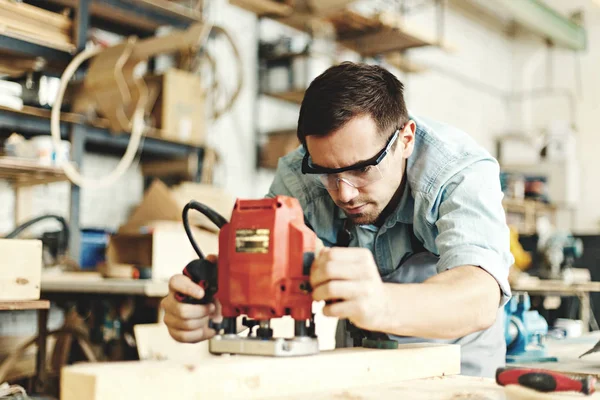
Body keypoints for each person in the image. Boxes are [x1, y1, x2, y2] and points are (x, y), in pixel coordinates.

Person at [160, 62, 514, 377]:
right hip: (359, 357)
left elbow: (479, 296)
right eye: (326, 173)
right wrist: (214, 305)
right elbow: (261, 260)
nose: (343, 193)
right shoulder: (301, 175)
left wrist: (382, 303)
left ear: (405, 139)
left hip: (458, 361)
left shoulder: (459, 173)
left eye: (362, 169)